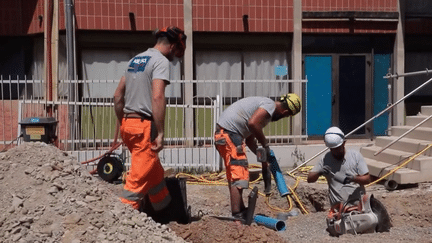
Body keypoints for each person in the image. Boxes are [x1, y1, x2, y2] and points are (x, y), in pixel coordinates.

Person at [113, 26, 187, 214]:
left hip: (129, 125)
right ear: (172, 46)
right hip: (144, 126)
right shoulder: (160, 61)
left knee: (154, 172)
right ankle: (121, 221)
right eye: (178, 52)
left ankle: (165, 210)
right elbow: (157, 97)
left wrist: (124, 123)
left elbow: (117, 96)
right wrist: (160, 132)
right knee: (136, 181)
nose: (176, 58)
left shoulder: (135, 60)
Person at [214, 94, 301, 220]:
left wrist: (263, 158)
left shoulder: (263, 105)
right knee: (239, 175)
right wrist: (265, 145)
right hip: (230, 134)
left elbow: (249, 139)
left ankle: (240, 210)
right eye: (286, 116)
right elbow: (253, 124)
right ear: (285, 112)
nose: (283, 118)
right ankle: (237, 215)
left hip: (224, 135)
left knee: (235, 175)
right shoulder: (269, 106)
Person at [307, 126, 371, 206]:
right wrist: (319, 172)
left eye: (337, 149)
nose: (335, 152)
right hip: (338, 209)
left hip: (357, 206)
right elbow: (309, 179)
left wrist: (354, 178)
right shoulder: (325, 159)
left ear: (344, 143)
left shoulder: (355, 156)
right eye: (332, 149)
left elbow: (367, 179)